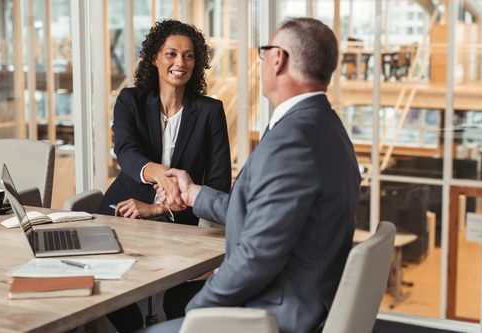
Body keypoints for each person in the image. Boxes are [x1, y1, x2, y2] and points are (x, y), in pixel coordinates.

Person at [150, 18, 361, 333]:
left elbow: (256, 257)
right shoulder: (325, 126)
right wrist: (193, 193)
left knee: (174, 311)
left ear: (278, 60)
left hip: (277, 313)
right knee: (175, 300)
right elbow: (264, 212)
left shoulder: (293, 140)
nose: (260, 63)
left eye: (263, 53)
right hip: (306, 298)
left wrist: (195, 317)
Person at [98, 19, 231, 332]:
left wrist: (160, 208)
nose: (179, 63)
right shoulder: (130, 101)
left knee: (178, 299)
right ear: (155, 58)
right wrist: (163, 177)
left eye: (188, 56)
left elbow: (219, 182)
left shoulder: (210, 111)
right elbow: (127, 153)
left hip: (180, 223)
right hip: (123, 212)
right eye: (171, 54)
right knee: (107, 291)